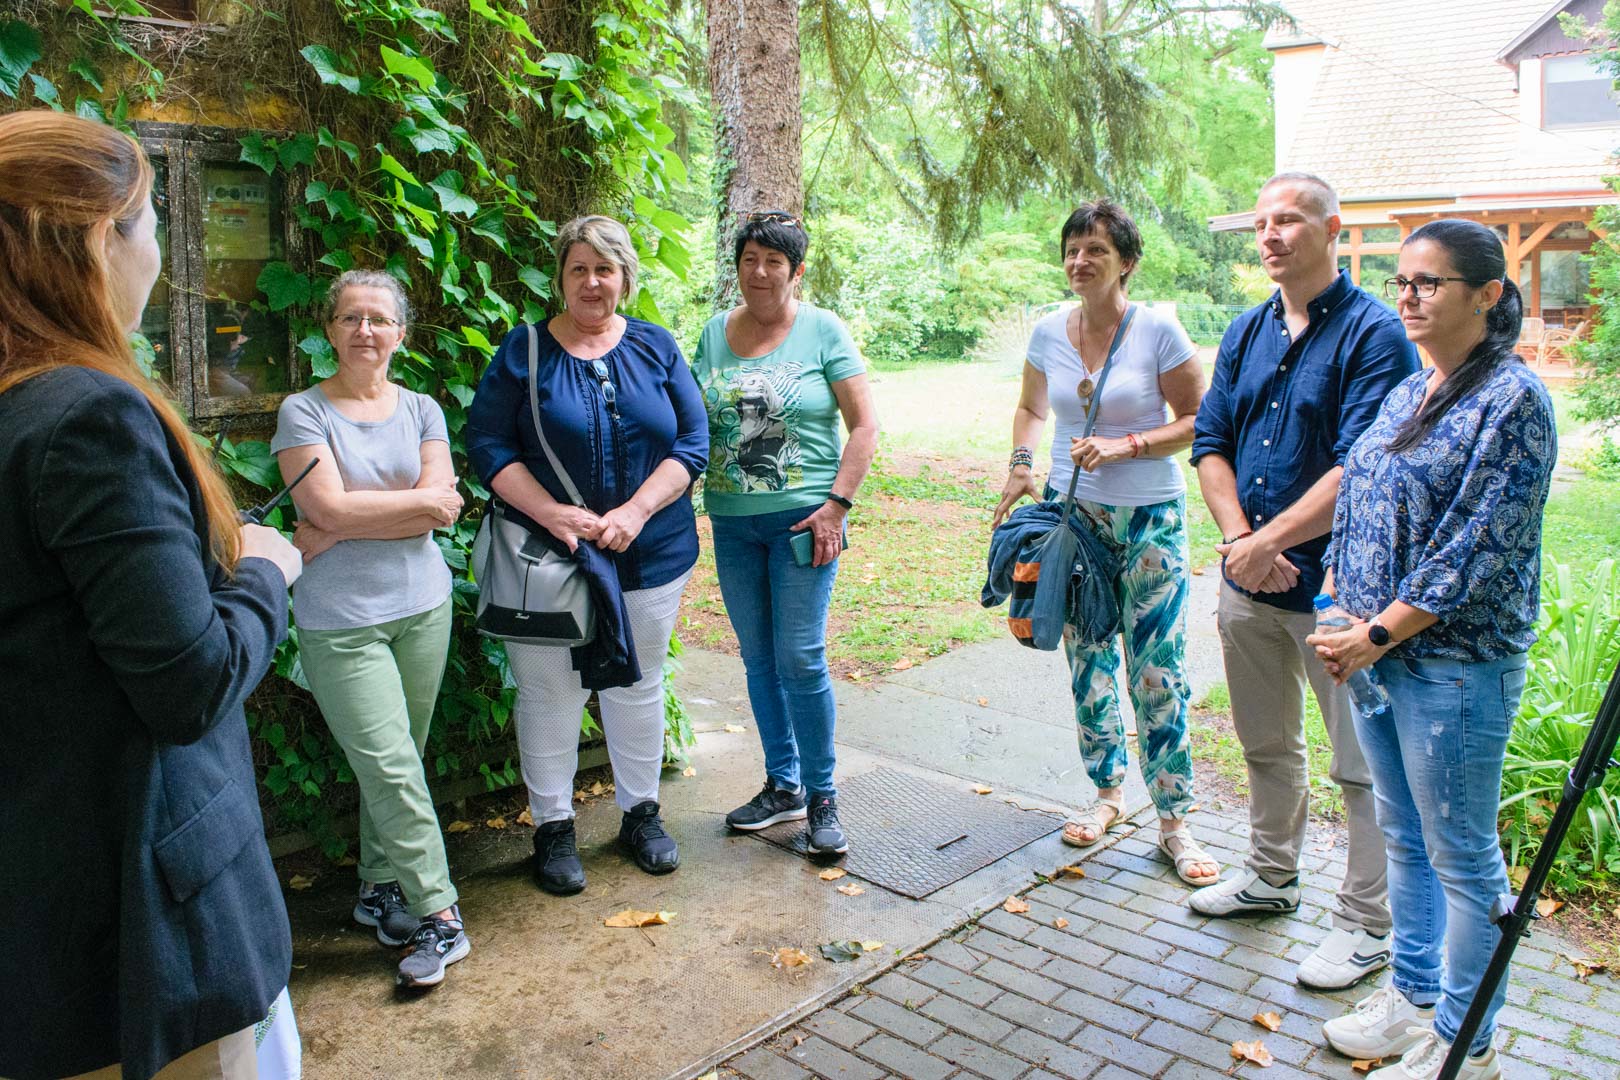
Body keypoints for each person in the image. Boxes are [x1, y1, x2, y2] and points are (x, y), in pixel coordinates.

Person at [0, 111, 303, 1080]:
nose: (163, 262)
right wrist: (264, 569)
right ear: (101, 238)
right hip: (138, 931)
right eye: (155, 227)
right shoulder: (87, 417)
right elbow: (189, 682)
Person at [1310, 220, 1555, 1080]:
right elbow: (1360, 494)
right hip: (1374, 652)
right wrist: (1335, 597)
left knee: (1462, 856)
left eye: (1428, 283)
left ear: (1486, 295)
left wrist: (1375, 633)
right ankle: (1412, 1001)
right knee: (1404, 836)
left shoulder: (1512, 400)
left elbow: (1475, 546)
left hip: (1453, 666)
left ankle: (1466, 1042)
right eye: (1402, 282)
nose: (1407, 297)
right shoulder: (1413, 387)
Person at [1189, 172, 1418, 990]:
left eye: (1288, 220)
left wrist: (1269, 541)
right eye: (1262, 223)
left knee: (1362, 766)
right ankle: (1270, 876)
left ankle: (1367, 924)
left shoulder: (1375, 334)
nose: (1271, 235)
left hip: (1341, 595)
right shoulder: (1246, 330)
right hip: (1246, 583)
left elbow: (1362, 465)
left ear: (1332, 229)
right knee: (1265, 744)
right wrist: (1239, 543)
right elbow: (1210, 441)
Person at [468, 215, 707, 895]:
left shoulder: (657, 346)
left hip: (650, 552)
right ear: (561, 278)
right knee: (550, 693)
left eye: (606, 269)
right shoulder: (523, 351)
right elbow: (488, 445)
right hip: (549, 560)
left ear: (625, 278)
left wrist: (636, 511)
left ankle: (641, 815)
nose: (593, 282)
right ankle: (553, 827)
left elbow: (692, 442)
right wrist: (550, 512)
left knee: (638, 684)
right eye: (580, 269)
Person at [991, 200, 1218, 887]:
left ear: (1127, 263)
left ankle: (1174, 820)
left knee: (1156, 670)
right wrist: (1022, 464)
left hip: (1149, 518)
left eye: (1096, 249)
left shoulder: (1158, 331)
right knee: (1087, 660)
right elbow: (1031, 407)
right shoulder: (1047, 333)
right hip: (1074, 519)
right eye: (1072, 249)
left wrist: (1129, 445)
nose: (1080, 260)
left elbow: (1200, 418)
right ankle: (1108, 794)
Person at [270, 269, 469, 989]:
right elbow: (328, 508)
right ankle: (440, 913)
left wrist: (343, 521)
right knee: (389, 765)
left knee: (400, 759)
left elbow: (442, 506)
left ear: (400, 334)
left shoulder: (421, 408)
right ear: (329, 330)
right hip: (342, 622)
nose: (365, 330)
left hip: (423, 608)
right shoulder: (303, 412)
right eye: (351, 317)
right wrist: (403, 508)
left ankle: (380, 889)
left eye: (379, 319)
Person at [695, 211, 879, 857]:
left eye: (774, 261)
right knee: (758, 658)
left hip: (804, 522)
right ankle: (784, 784)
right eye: (750, 259)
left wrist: (837, 506)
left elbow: (864, 426)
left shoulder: (823, 330)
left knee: (799, 656)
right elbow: (694, 418)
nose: (760, 272)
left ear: (796, 271)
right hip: (732, 523)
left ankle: (823, 795)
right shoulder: (714, 333)